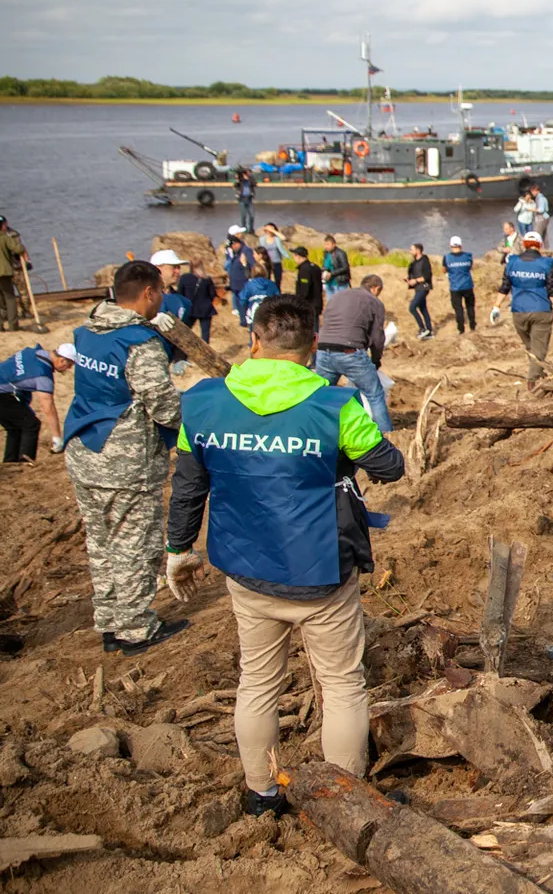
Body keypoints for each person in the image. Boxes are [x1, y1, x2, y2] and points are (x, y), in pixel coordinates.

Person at [163, 294, 406, 818]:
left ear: (255, 341)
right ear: (314, 346)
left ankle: (262, 791)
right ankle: (346, 801)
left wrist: (178, 550)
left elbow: (187, 486)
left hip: (247, 571)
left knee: (257, 681)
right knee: (343, 683)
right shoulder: (334, 405)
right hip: (321, 572)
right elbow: (389, 467)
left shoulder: (202, 402)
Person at [60, 261, 186, 655]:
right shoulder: (138, 341)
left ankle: (112, 622)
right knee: (135, 545)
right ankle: (136, 629)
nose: (162, 298)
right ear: (149, 292)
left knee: (101, 544)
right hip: (125, 461)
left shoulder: (88, 330)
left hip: (85, 450)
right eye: (161, 291)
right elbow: (163, 406)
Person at [313, 275, 392, 431]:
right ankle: (387, 439)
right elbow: (377, 338)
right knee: (375, 395)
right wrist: (376, 360)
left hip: (323, 350)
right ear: (376, 288)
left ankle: (317, 433)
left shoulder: (337, 296)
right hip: (350, 352)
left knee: (321, 395)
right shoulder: (374, 302)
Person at [491, 231, 553, 383]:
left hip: (518, 312)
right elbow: (552, 289)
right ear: (540, 245)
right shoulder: (547, 263)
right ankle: (532, 381)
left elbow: (504, 286)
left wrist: (496, 306)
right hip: (541, 310)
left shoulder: (512, 262)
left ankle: (537, 373)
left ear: (524, 245)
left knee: (531, 347)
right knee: (538, 349)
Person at [0, 343, 70, 462]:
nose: (69, 368)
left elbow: (18, 376)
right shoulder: (43, 375)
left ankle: (10, 463)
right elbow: (48, 407)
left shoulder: (32, 352)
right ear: (62, 360)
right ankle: (25, 464)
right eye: (69, 365)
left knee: (15, 426)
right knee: (31, 424)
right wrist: (57, 437)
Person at [0, 215, 27, 332]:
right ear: (3, 226)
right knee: (9, 298)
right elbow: (18, 249)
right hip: (2, 272)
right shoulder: (4, 237)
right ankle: (13, 326)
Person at [442, 236, 477, 332]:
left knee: (458, 309)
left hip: (455, 287)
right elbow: (470, 267)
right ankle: (473, 325)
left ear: (450, 245)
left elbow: (444, 270)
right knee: (470, 306)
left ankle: (461, 329)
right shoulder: (468, 256)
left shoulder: (447, 258)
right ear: (461, 245)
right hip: (467, 285)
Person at [179, 259, 219, 342]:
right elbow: (212, 294)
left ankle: (184, 349)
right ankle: (206, 353)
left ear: (190, 266)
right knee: (205, 333)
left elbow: (180, 294)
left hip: (190, 308)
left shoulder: (184, 278)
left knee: (185, 331)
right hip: (205, 308)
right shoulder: (206, 279)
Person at [222, 227, 255, 319]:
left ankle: (244, 317)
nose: (231, 248)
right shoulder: (236, 252)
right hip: (236, 284)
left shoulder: (246, 251)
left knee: (243, 301)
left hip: (243, 283)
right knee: (237, 298)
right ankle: (239, 313)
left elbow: (253, 265)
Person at [151, 250, 192, 324]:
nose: (178, 271)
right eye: (174, 267)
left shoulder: (185, 303)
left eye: (179, 267)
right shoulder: (143, 298)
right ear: (158, 268)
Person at [405, 243, 434, 340]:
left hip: (424, 288)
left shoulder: (425, 261)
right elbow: (412, 275)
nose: (410, 252)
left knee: (412, 307)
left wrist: (416, 280)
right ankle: (429, 331)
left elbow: (427, 276)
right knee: (423, 309)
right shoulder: (413, 263)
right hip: (418, 288)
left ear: (418, 251)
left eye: (412, 250)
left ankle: (422, 328)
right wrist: (408, 280)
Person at [290, 246, 323, 330]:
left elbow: (304, 291)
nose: (294, 258)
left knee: (309, 331)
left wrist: (298, 303)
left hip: (308, 305)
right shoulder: (315, 267)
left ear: (298, 256)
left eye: (294, 255)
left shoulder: (305, 270)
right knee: (314, 329)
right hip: (316, 303)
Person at [238, 263, 278, 329]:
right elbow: (278, 300)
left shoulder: (249, 285)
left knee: (253, 336)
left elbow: (242, 300)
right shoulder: (272, 284)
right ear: (265, 272)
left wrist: (243, 318)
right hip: (268, 316)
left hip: (253, 315)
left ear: (252, 273)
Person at [258, 223, 285, 289]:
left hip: (277, 262)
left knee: (278, 281)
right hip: (267, 262)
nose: (269, 231)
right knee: (266, 279)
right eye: (268, 229)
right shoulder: (262, 239)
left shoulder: (276, 239)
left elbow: (284, 238)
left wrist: (273, 231)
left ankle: (277, 295)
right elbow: (261, 250)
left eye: (271, 229)